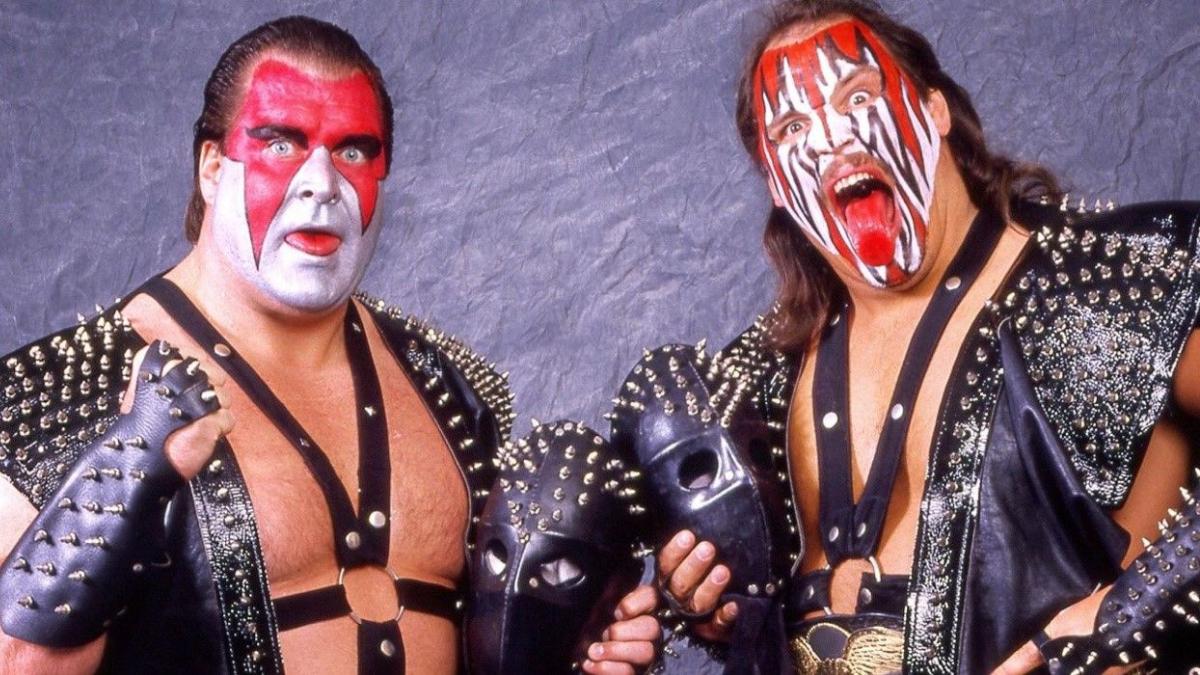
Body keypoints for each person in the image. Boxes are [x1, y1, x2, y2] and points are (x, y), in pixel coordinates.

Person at [0, 16, 656, 674]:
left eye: (353, 150)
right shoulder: (57, 386)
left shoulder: (452, 388)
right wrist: (126, 461)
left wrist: (579, 646)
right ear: (210, 167)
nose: (321, 181)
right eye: (281, 143)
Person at [653, 1, 1200, 672]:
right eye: (795, 126)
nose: (833, 140)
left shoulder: (1101, 281)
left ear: (935, 111)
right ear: (774, 182)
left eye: (857, 97)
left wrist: (1125, 612)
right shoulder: (766, 377)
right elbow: (733, 602)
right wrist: (701, 594)